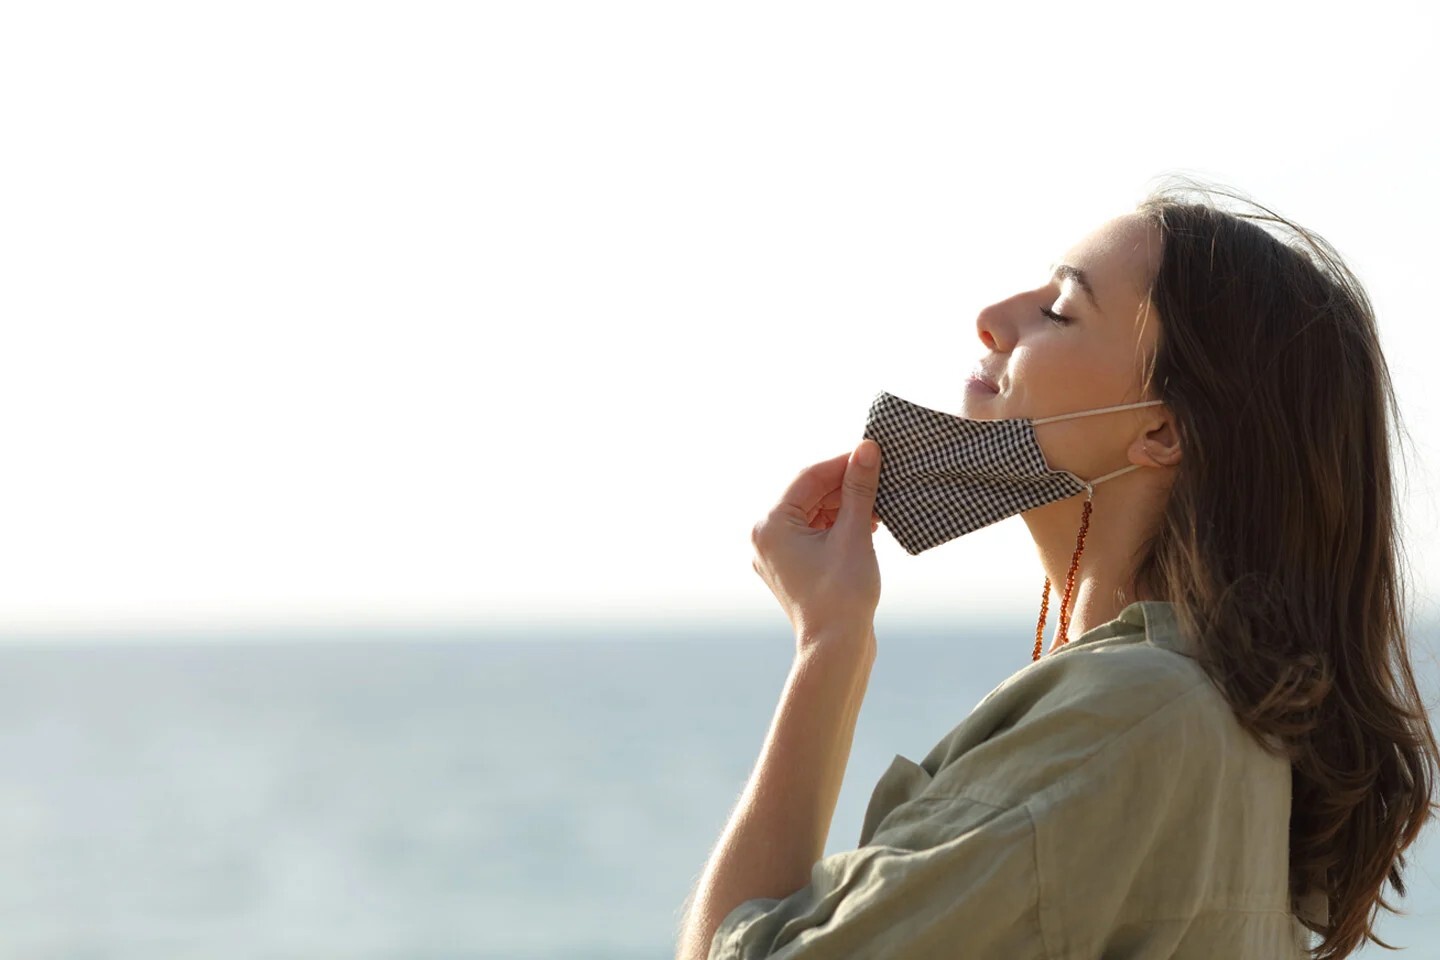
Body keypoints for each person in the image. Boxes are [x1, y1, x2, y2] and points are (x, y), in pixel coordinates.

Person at [673, 180, 1440, 959]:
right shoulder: (1227, 717)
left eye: (1060, 311)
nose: (994, 318)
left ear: (1163, 432)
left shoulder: (1126, 717)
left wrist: (828, 645)